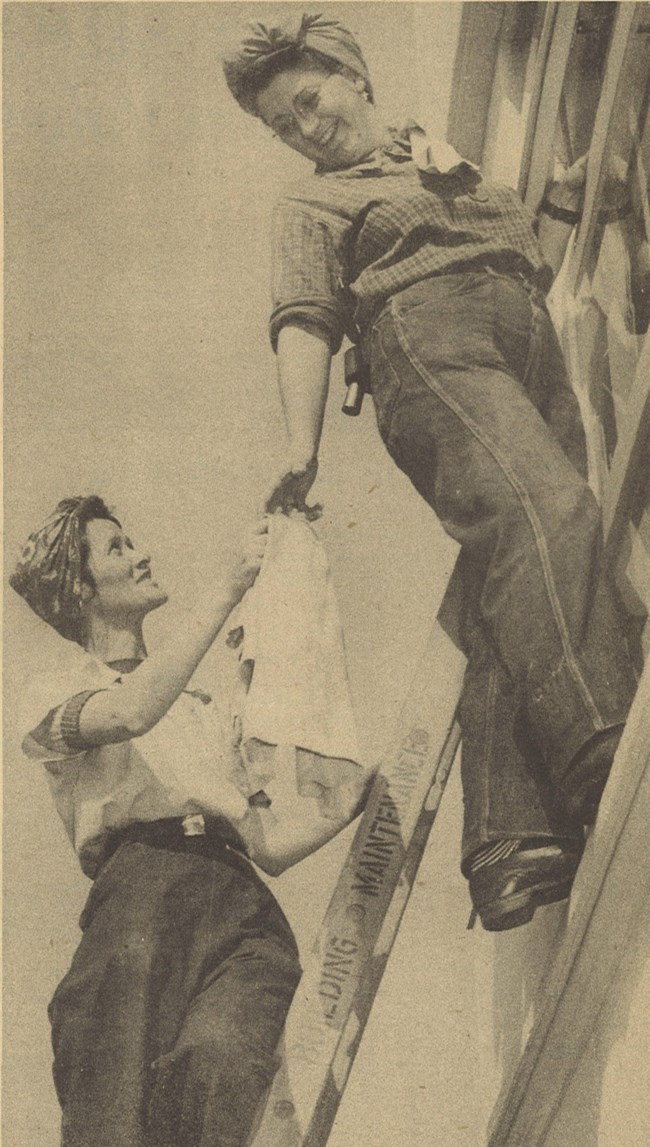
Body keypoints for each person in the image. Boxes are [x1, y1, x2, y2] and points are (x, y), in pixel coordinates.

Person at [222, 13, 638, 931]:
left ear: (350, 75)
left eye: (306, 102)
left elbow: (527, 238)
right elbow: (303, 316)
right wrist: (302, 442)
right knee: (546, 513)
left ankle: (512, 838)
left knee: (513, 568)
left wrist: (586, 185)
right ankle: (602, 736)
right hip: (426, 335)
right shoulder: (313, 205)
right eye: (282, 128)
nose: (303, 130)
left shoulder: (441, 163)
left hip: (523, 334)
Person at [10, 495, 363, 1147]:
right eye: (118, 547)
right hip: (137, 903)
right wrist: (228, 587)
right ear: (81, 587)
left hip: (236, 904)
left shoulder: (202, 710)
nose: (141, 553)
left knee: (227, 1062)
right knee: (111, 1107)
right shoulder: (51, 693)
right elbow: (131, 712)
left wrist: (361, 799)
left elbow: (272, 846)